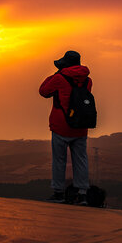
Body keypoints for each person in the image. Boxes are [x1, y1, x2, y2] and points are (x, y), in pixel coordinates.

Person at [39, 50, 92, 205]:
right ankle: (82, 194)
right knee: (81, 160)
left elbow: (43, 91)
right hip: (80, 126)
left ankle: (59, 193)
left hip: (61, 125)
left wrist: (55, 74)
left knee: (59, 160)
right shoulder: (88, 80)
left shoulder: (59, 78)